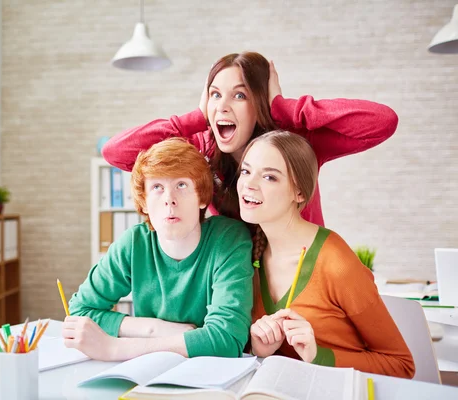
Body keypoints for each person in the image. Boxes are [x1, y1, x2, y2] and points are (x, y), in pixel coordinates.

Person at [102, 52, 398, 226]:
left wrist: (283, 106)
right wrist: (195, 117)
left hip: (302, 283)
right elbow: (116, 153)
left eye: (240, 95)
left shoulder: (295, 144)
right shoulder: (201, 148)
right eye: (215, 94)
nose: (223, 106)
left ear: (260, 102)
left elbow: (381, 122)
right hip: (237, 296)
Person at [238, 130, 414, 378]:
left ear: (299, 192)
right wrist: (260, 350)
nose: (249, 184)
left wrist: (317, 356)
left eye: (269, 177)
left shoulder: (335, 263)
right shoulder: (248, 257)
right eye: (246, 171)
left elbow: (402, 365)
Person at [62, 138, 254, 361]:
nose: (169, 200)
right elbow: (79, 312)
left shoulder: (229, 239)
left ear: (201, 197)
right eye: (157, 187)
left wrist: (115, 348)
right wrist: (156, 329)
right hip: (148, 373)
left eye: (181, 185)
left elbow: (226, 339)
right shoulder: (134, 243)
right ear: (143, 202)